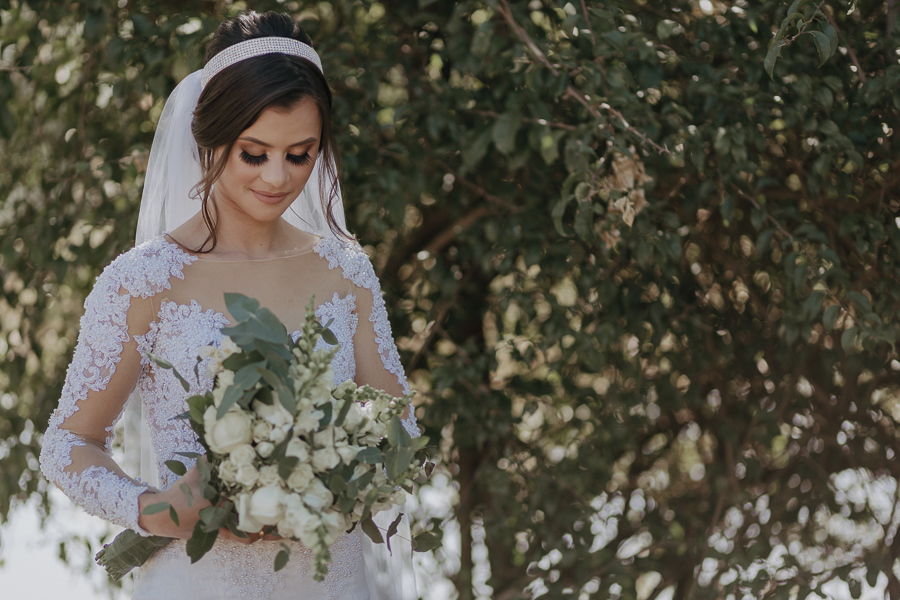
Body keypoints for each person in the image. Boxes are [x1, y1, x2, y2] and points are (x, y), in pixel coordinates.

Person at [39, 11, 418, 600]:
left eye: (300, 154)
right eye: (254, 153)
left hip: (330, 580)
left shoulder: (346, 272)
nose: (277, 177)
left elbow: (400, 431)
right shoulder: (143, 282)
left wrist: (334, 479)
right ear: (209, 139)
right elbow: (67, 446)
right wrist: (155, 509)